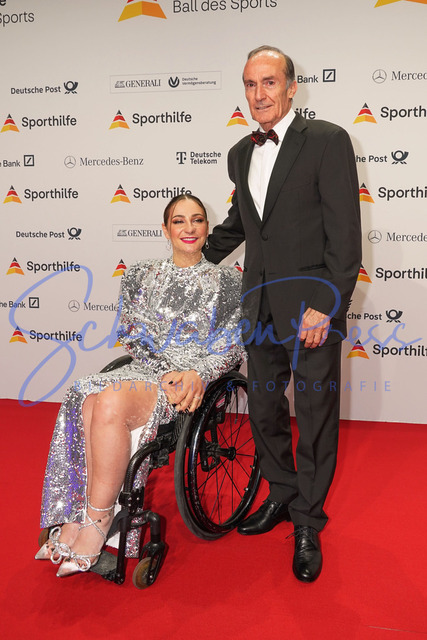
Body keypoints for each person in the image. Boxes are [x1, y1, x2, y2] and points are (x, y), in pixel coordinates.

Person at [204, 45, 361, 582]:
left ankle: (308, 521)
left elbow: (345, 236)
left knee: (314, 417)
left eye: (269, 82)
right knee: (265, 410)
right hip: (260, 306)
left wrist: (327, 304)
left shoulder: (328, 141)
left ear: (292, 87)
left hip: (311, 309)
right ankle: (282, 492)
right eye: (250, 84)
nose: (259, 94)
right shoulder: (240, 152)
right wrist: (188, 258)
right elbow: (242, 225)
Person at [35, 194, 246, 577]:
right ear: (165, 229)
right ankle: (78, 516)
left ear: (207, 228)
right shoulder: (140, 274)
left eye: (197, 220)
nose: (189, 228)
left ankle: (99, 522)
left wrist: (197, 373)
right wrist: (165, 371)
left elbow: (232, 347)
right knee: (85, 394)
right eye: (179, 221)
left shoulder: (229, 282)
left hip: (192, 380)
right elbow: (133, 335)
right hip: (149, 370)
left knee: (110, 403)